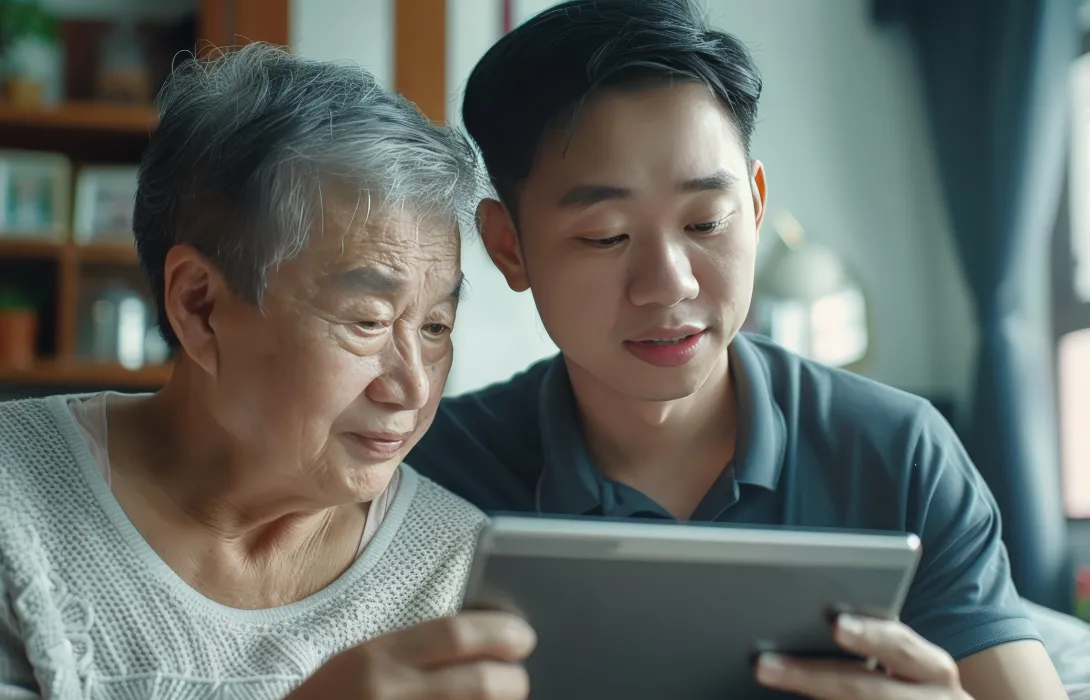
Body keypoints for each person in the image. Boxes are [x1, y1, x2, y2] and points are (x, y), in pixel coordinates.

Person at [405, 1, 1069, 698]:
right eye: (605, 235)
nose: (671, 284)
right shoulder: (434, 473)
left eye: (706, 221)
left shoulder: (896, 452)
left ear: (754, 206)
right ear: (510, 246)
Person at [0, 44, 534, 700]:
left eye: (434, 328)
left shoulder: (457, 570)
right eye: (366, 321)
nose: (414, 388)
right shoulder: (14, 505)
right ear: (201, 306)